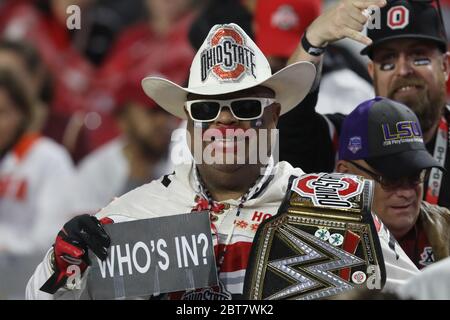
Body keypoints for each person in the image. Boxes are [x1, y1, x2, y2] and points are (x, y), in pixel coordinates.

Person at [26, 23, 418, 300]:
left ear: (274, 117)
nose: (225, 120)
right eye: (206, 109)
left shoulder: (333, 210)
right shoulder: (132, 218)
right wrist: (61, 265)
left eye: (245, 107)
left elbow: (419, 294)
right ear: (189, 124)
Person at [279, 0, 450, 209]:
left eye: (419, 57)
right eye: (388, 61)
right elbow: (290, 124)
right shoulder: (348, 141)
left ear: (445, 66)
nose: (403, 70)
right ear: (372, 72)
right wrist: (313, 41)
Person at [336, 96, 450, 269]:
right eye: (391, 178)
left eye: (415, 175)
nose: (407, 192)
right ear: (345, 175)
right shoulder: (315, 241)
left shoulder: (446, 228)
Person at [68, 81, 178, 215]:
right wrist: (133, 184)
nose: (162, 120)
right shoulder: (96, 170)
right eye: (152, 111)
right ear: (123, 120)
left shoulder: (188, 158)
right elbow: (79, 231)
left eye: (167, 111)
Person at [0, 68, 74, 255]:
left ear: (22, 115)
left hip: (21, 275)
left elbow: (49, 239)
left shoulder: (51, 159)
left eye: (2, 112)